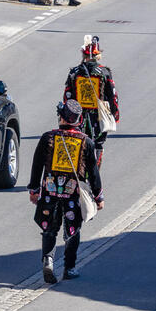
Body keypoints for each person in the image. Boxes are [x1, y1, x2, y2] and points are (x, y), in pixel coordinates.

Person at [29, 100, 103, 283]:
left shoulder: (48, 137)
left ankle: (48, 259)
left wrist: (34, 189)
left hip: (49, 190)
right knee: (73, 229)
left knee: (49, 228)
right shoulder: (86, 141)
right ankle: (69, 268)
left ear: (61, 117)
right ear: (79, 120)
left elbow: (37, 165)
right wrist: (98, 196)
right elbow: (93, 172)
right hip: (73, 193)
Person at [64, 35, 119, 168]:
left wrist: (67, 116)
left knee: (78, 142)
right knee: (98, 144)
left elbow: (67, 96)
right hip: (98, 116)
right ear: (97, 55)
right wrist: (114, 113)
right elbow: (112, 96)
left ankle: (79, 170)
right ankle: (95, 175)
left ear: (83, 55)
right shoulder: (104, 72)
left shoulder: (74, 72)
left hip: (79, 116)